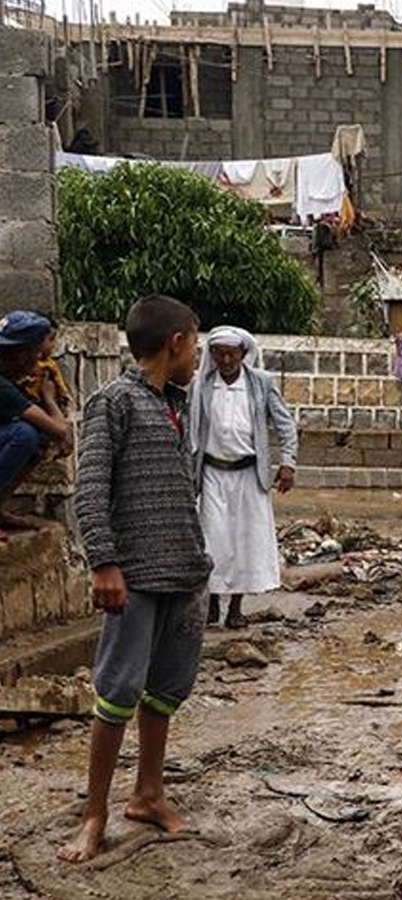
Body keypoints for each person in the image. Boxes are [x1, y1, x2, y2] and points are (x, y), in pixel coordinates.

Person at [59, 295, 210, 864]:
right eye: (195, 344)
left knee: (165, 690)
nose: (197, 355)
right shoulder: (114, 402)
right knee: (117, 692)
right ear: (175, 343)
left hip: (183, 572)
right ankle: (94, 814)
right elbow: (90, 489)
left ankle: (148, 793)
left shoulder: (175, 402)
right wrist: (104, 563)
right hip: (135, 575)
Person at [189, 327, 298, 629]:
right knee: (213, 539)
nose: (225, 359)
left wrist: (288, 463)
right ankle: (211, 604)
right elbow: (189, 429)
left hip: (249, 474)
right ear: (211, 355)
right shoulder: (201, 386)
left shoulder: (261, 383)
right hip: (211, 472)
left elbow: (285, 424)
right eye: (219, 353)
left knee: (244, 540)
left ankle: (235, 607)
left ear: (242, 354)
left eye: (231, 353)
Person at [0, 311, 72, 541]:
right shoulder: (3, 387)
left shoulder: (15, 379)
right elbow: (60, 429)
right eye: (36, 354)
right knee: (24, 434)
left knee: (38, 437)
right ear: (22, 355)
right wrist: (49, 398)